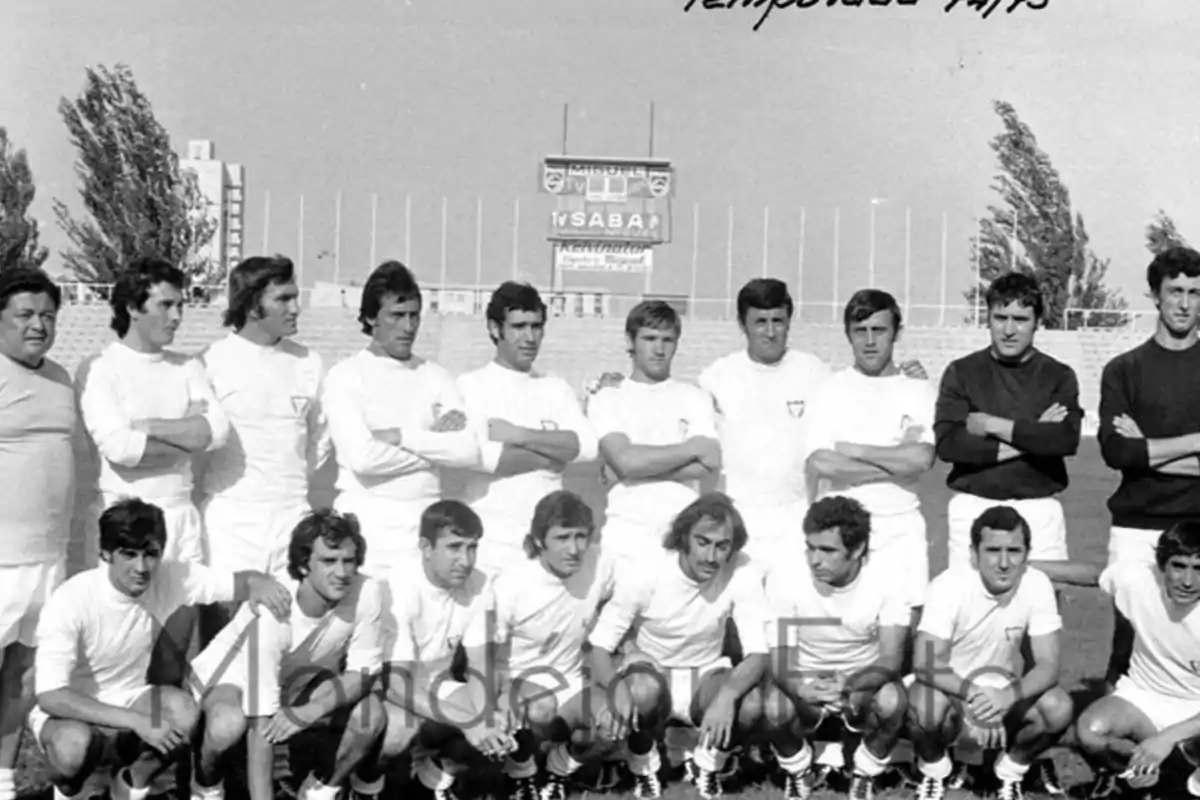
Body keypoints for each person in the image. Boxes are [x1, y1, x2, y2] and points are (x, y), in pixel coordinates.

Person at [31, 498, 290, 800]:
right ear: (105, 554)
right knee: (72, 747)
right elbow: (51, 696)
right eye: (128, 555)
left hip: (131, 696)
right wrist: (137, 722)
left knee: (183, 711)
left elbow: (241, 582)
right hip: (73, 710)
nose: (141, 568)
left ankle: (130, 784)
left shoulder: (171, 576)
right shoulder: (71, 599)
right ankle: (68, 792)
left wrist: (261, 584)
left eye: (150, 555)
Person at [696, 279, 926, 564]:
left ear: (789, 322)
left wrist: (910, 380)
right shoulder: (716, 378)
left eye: (778, 321)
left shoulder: (815, 372)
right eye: (760, 322)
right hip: (741, 517)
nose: (770, 332)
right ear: (742, 324)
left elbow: (869, 394)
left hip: (798, 519)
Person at [190, 509, 389, 800]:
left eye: (349, 561)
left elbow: (362, 675)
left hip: (295, 679)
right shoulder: (275, 611)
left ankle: (320, 791)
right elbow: (262, 727)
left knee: (371, 714)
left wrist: (310, 710)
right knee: (227, 726)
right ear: (304, 565)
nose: (342, 572)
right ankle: (206, 785)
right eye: (329, 561)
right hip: (231, 675)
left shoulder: (367, 591)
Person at [587, 492, 770, 800]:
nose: (711, 556)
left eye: (722, 546)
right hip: (651, 671)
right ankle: (643, 764)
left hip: (705, 673)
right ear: (684, 537)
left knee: (749, 705)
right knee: (641, 690)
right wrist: (618, 688)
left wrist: (727, 695)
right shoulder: (647, 569)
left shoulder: (741, 572)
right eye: (703, 542)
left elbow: (758, 654)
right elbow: (599, 648)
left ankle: (708, 765)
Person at [196, 255, 330, 640]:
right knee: (225, 636)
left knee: (288, 632)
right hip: (232, 519)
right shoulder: (211, 362)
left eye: (295, 296)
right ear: (253, 303)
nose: (295, 307)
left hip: (291, 514)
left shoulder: (309, 363)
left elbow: (319, 440)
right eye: (283, 298)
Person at [907, 505, 1074, 800]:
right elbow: (924, 663)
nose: (1005, 562)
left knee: (1058, 706)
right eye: (993, 550)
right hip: (952, 691)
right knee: (925, 707)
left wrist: (1005, 697)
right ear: (973, 553)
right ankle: (935, 769)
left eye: (1015, 551)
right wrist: (974, 695)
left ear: (1027, 553)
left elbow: (1049, 665)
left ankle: (1010, 771)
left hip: (1002, 692)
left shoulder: (1037, 584)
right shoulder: (948, 586)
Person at [323, 262, 478, 576]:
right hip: (366, 529)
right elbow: (363, 458)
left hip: (422, 532)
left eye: (414, 315)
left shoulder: (437, 377)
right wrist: (435, 442)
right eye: (396, 316)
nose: (408, 327)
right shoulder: (345, 376)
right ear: (370, 318)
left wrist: (402, 437)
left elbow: (467, 450)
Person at [77, 257, 231, 567]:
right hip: (123, 524)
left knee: (183, 615)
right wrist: (187, 437)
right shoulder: (100, 368)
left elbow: (217, 432)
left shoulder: (188, 367)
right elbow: (120, 448)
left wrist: (147, 426)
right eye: (165, 305)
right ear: (133, 307)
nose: (176, 317)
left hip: (179, 519)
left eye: (180, 306)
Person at [761, 496, 911, 800]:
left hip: (863, 679)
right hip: (806, 677)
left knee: (893, 701)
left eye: (828, 550)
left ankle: (864, 772)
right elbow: (779, 658)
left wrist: (852, 685)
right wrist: (801, 689)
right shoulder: (785, 576)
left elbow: (890, 660)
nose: (815, 559)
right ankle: (799, 768)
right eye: (810, 547)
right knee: (773, 707)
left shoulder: (891, 577)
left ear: (857, 550)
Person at [1098, 247, 1200, 689]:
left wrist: (1149, 449)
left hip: (1197, 526)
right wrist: (1195, 443)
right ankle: (1111, 745)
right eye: (1174, 291)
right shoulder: (1124, 370)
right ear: (1155, 296)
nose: (1184, 303)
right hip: (1136, 526)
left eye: (1195, 292)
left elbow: (1138, 453)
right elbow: (1119, 454)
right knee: (1127, 642)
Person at [934, 271, 1082, 573]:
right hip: (974, 506)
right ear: (988, 318)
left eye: (1020, 319)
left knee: (1041, 609)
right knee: (968, 611)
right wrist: (1034, 433)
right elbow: (950, 444)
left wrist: (991, 424)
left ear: (1037, 322)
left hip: (1039, 510)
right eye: (1001, 317)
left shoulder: (1059, 376)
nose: (1009, 330)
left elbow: (1064, 440)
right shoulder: (961, 372)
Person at [803, 289, 937, 616]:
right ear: (848, 334)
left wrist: (855, 450)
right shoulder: (830, 389)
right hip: (843, 532)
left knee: (906, 629)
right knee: (845, 628)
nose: (870, 341)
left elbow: (922, 459)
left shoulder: (918, 390)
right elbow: (822, 462)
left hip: (901, 525)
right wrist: (897, 463)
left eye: (879, 330)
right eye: (860, 331)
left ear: (897, 333)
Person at [456, 282, 598, 576]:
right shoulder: (469, 387)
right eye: (519, 326)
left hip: (545, 551)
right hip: (491, 546)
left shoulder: (555, 388)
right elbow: (486, 458)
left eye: (536, 326)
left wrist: (520, 435)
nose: (530, 337)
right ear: (495, 329)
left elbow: (586, 448)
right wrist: (555, 454)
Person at [0, 268, 77, 800]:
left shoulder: (61, 378)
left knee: (23, 679)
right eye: (25, 315)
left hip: (49, 559)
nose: (38, 326)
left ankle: (2, 779)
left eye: (47, 316)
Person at [378, 499, 513, 800]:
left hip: (438, 684)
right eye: (454, 547)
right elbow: (397, 685)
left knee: (497, 718)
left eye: (472, 547)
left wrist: (484, 720)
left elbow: (479, 665)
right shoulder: (400, 586)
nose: (465, 560)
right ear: (426, 547)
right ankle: (364, 786)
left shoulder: (478, 583)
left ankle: (430, 783)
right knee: (397, 733)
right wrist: (468, 722)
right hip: (390, 689)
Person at [492, 491, 618, 800]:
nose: (574, 549)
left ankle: (558, 770)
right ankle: (520, 772)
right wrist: (501, 699)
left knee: (616, 717)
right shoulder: (512, 583)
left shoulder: (600, 563)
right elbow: (489, 659)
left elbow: (626, 608)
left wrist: (630, 650)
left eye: (581, 537)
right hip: (522, 686)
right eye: (562, 538)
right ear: (538, 540)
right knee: (542, 707)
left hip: (572, 683)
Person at [585, 300, 721, 562]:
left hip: (681, 537)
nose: (659, 349)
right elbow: (626, 460)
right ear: (630, 341)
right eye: (649, 338)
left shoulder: (693, 397)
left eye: (667, 340)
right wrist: (690, 449)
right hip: (626, 537)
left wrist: (630, 470)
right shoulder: (609, 397)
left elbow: (709, 463)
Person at [1076, 522, 1200, 798]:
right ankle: (1145, 776)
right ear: (1161, 566)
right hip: (1144, 698)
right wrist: (1024, 567)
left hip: (1196, 715)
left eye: (1199, 568)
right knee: (1091, 731)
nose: (1188, 581)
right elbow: (1094, 576)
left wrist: (1167, 738)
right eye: (1179, 566)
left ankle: (1185, 783)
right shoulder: (1137, 580)